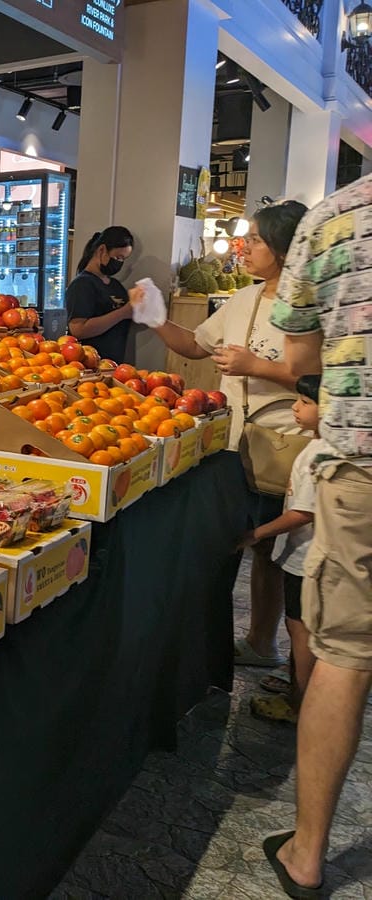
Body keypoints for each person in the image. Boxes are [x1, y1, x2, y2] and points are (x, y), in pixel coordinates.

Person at [262, 176, 372, 899]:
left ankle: (307, 856)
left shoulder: (337, 216)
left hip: (363, 467)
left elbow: (298, 361)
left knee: (345, 653)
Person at [151, 200, 308, 670]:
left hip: (285, 444)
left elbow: (317, 380)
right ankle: (242, 644)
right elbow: (194, 345)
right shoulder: (245, 299)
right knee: (240, 543)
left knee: (276, 554)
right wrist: (153, 316)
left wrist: (255, 366)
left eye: (255, 240)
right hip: (232, 446)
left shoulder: (309, 306)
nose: (245, 247)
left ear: (283, 248)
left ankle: (266, 643)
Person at [240, 375, 322, 725]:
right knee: (298, 626)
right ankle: (297, 687)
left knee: (300, 629)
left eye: (305, 403)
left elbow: (303, 512)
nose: (295, 408)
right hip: (305, 557)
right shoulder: (319, 447)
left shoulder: (317, 455)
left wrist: (257, 533)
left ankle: (301, 704)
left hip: (307, 560)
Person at [67, 226, 136, 364]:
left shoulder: (116, 285)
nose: (120, 263)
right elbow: (78, 329)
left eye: (123, 259)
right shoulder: (82, 284)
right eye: (118, 257)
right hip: (89, 365)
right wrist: (123, 313)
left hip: (114, 366)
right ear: (102, 250)